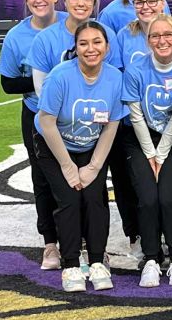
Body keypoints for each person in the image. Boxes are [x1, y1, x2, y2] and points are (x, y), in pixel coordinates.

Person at [33, 21, 125, 292]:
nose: (91, 48)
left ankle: (96, 261)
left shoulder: (114, 78)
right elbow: (46, 122)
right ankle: (71, 264)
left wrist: (94, 167)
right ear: (75, 48)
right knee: (69, 199)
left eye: (97, 42)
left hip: (91, 146)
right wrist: (68, 167)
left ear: (107, 47)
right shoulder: (60, 76)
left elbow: (112, 124)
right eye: (83, 43)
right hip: (55, 146)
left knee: (96, 199)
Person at [122, 15, 172, 287]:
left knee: (167, 195)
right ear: (148, 39)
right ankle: (151, 258)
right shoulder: (135, 70)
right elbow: (136, 115)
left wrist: (162, 152)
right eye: (155, 35)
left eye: (168, 34)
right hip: (139, 139)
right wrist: (150, 153)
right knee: (147, 196)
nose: (162, 40)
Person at [0, 0, 66, 270]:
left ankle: (86, 239)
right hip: (37, 114)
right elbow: (8, 84)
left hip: (75, 115)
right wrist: (47, 81)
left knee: (82, 177)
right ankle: (50, 244)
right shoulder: (17, 36)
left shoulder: (71, 23)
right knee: (42, 180)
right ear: (27, 0)